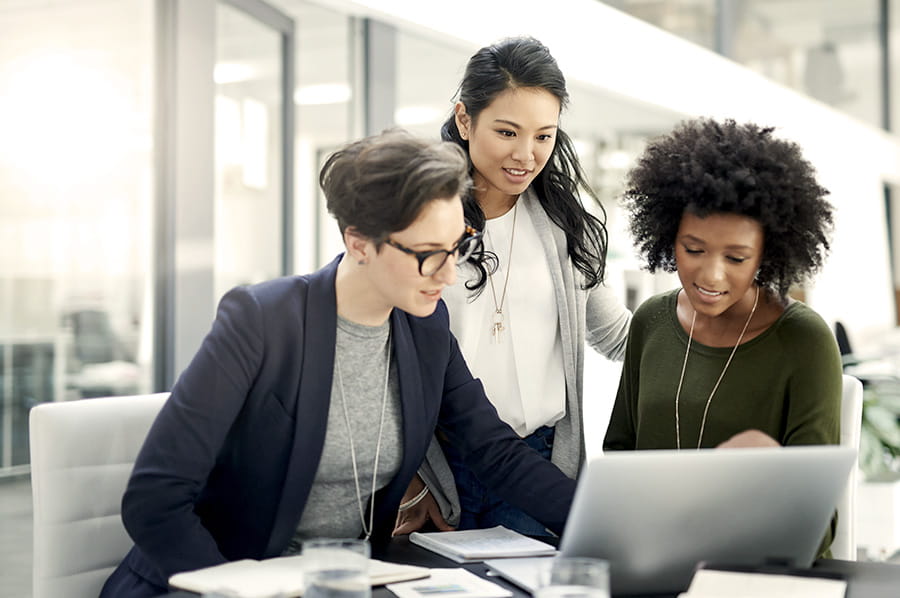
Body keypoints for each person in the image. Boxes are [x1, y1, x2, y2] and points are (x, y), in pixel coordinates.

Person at [99, 130, 577, 598]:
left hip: (343, 582)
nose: (450, 273)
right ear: (360, 243)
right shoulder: (262, 321)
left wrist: (596, 524)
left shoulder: (424, 329)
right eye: (430, 255)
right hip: (221, 581)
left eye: (458, 247)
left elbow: (495, 451)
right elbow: (155, 499)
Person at [394, 37, 631, 537]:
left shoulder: (567, 226)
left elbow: (617, 336)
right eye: (507, 131)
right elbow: (383, 358)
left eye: (544, 136)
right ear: (464, 120)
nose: (526, 154)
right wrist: (412, 479)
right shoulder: (418, 222)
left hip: (540, 464)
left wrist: (716, 325)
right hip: (440, 470)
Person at [602, 117, 841, 554]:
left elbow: (817, 524)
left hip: (756, 570)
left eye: (736, 257)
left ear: (767, 255)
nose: (710, 275)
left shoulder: (804, 342)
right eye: (693, 250)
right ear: (667, 235)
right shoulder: (651, 321)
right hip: (652, 559)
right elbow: (619, 458)